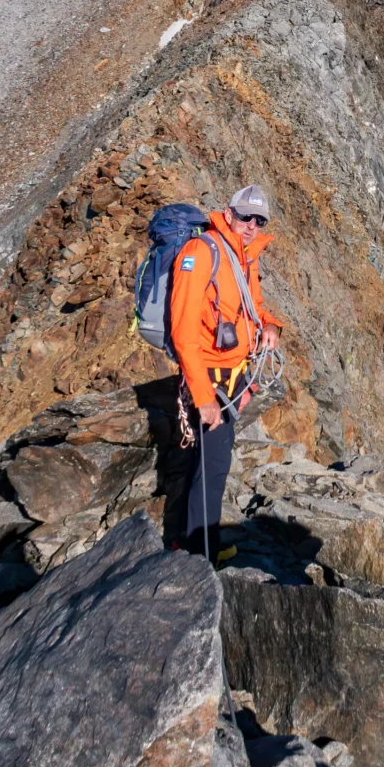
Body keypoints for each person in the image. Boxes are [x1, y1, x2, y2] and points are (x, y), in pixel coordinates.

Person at [167, 184, 282, 560]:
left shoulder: (245, 256)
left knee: (207, 463)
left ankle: (188, 542)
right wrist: (203, 398)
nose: (251, 225)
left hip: (233, 375)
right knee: (212, 468)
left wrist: (270, 325)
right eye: (246, 216)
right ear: (228, 213)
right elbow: (182, 332)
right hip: (210, 379)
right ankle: (201, 557)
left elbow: (253, 306)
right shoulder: (201, 253)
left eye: (259, 219)